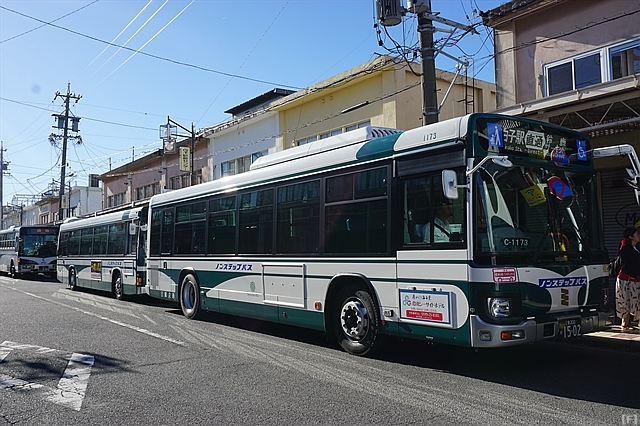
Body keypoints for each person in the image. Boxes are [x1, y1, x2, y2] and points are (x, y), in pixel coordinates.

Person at [615, 227, 640, 331]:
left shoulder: (634, 248)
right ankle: (625, 323)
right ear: (631, 237)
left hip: (632, 279)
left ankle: (626, 323)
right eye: (637, 234)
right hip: (627, 280)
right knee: (627, 301)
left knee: (634, 301)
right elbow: (628, 265)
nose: (639, 235)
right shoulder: (626, 249)